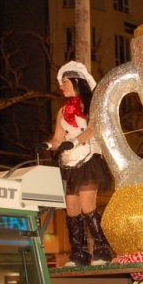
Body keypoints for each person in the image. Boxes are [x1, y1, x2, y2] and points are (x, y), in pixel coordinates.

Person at [38, 61, 113, 266]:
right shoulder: (62, 111)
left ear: (76, 81)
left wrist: (74, 141)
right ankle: (79, 252)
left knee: (87, 204)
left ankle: (102, 249)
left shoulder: (92, 105)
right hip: (69, 162)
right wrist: (47, 145)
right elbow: (57, 138)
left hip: (88, 158)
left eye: (65, 81)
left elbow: (92, 130)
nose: (61, 86)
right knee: (71, 207)